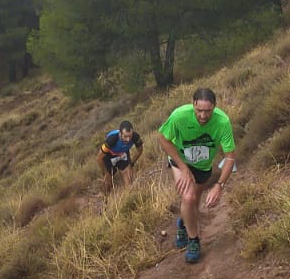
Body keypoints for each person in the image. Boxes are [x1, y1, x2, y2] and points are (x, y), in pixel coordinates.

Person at [156, 86, 236, 264]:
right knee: (189, 197)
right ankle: (194, 241)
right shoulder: (179, 115)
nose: (203, 115)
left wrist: (219, 186)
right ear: (193, 105)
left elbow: (230, 157)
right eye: (199, 110)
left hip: (203, 166)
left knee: (195, 201)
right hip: (180, 162)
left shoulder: (222, 122)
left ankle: (183, 223)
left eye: (208, 111)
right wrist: (183, 168)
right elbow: (163, 138)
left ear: (214, 107)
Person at [98, 121, 143, 192]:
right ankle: (106, 198)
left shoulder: (135, 137)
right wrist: (106, 173)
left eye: (130, 136)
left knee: (128, 176)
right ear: (120, 134)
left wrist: (131, 164)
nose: (128, 139)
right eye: (125, 136)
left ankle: (129, 195)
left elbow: (139, 151)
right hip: (109, 155)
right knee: (108, 181)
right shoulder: (111, 140)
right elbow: (99, 158)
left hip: (123, 153)